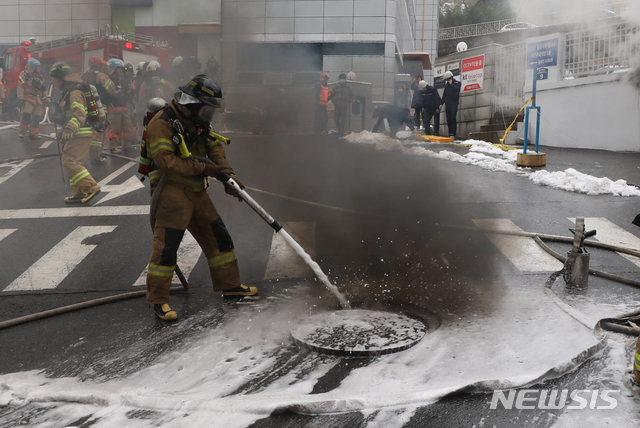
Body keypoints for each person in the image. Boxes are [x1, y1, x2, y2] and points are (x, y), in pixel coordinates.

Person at [145, 74, 257, 321]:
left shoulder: (198, 121)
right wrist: (207, 169)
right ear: (193, 103)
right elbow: (166, 162)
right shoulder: (162, 123)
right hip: (171, 194)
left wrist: (227, 174)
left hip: (197, 191)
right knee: (167, 249)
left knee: (219, 239)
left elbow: (214, 148)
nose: (210, 115)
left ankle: (230, 285)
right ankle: (159, 301)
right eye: (207, 109)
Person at [50, 62, 101, 204]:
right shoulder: (69, 91)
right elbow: (66, 115)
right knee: (73, 162)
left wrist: (69, 128)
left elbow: (79, 114)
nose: (54, 81)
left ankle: (91, 187)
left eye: (56, 78)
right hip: (78, 133)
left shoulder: (74, 92)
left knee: (70, 162)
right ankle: (79, 192)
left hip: (79, 133)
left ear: (63, 78)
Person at [84, 55, 118, 162]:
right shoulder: (101, 76)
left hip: (86, 107)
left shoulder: (83, 75)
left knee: (89, 130)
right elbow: (111, 90)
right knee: (99, 130)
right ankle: (95, 155)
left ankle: (93, 152)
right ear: (99, 65)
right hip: (99, 106)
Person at [106, 58, 135, 153]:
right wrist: (120, 93)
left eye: (121, 69)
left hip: (123, 108)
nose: (120, 71)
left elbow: (125, 93)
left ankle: (127, 146)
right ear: (113, 69)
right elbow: (110, 94)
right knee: (114, 128)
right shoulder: (109, 80)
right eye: (118, 69)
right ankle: (112, 147)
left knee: (128, 127)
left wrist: (129, 93)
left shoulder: (122, 81)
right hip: (114, 108)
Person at [17, 58, 47, 140]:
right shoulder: (24, 75)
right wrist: (20, 98)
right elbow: (20, 87)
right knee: (26, 116)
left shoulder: (40, 77)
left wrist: (47, 99)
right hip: (28, 99)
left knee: (37, 118)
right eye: (38, 67)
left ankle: (34, 134)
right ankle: (22, 132)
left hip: (38, 100)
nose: (39, 68)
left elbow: (44, 90)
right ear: (33, 67)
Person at [439, 70, 461, 138]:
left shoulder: (457, 83)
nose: (447, 81)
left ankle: (453, 133)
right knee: (448, 118)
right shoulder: (447, 85)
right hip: (448, 104)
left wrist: (451, 84)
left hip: (454, 103)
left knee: (452, 117)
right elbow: (444, 94)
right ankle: (450, 132)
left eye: (448, 79)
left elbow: (457, 89)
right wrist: (441, 103)